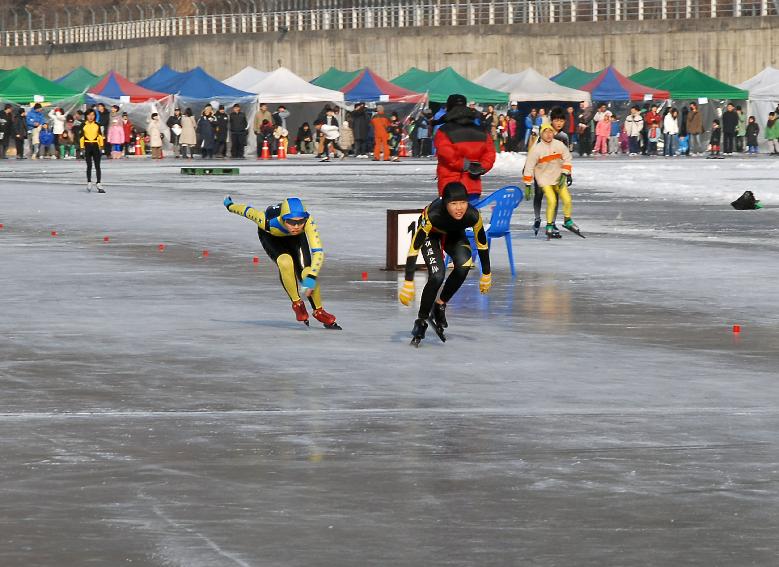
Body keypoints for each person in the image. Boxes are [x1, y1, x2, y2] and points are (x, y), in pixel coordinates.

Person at [223, 195, 340, 329]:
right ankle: (297, 304)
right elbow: (246, 211)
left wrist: (312, 277)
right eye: (291, 222)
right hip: (272, 238)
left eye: (300, 221)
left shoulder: (308, 222)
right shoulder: (267, 221)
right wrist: (229, 205)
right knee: (286, 262)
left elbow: (318, 251)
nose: (296, 226)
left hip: (296, 241)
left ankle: (319, 311)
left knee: (307, 272)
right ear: (283, 219)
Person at [398, 182, 492, 347]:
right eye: (453, 203)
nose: (459, 208)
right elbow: (414, 248)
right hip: (431, 235)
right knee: (437, 275)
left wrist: (486, 273)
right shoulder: (433, 215)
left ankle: (440, 305)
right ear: (445, 203)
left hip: (454, 234)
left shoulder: (473, 215)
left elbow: (482, 245)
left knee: (464, 266)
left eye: (463, 202)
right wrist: (408, 281)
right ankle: (421, 320)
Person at [434, 93, 496, 202]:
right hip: (473, 184)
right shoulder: (481, 131)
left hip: (451, 187)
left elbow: (447, 155)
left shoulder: (444, 131)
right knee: (472, 216)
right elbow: (490, 153)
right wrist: (481, 167)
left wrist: (465, 165)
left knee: (451, 217)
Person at [523, 123, 580, 239]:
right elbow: (528, 166)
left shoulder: (559, 145)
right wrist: (528, 184)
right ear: (541, 134)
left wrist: (566, 173)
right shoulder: (536, 149)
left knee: (567, 200)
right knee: (552, 200)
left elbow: (567, 158)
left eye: (550, 132)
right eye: (545, 132)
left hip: (558, 177)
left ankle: (567, 220)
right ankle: (548, 224)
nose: (549, 135)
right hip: (544, 180)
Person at [80, 109, 105, 192]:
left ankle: (98, 183)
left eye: (93, 115)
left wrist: (101, 147)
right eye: (89, 115)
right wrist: (82, 148)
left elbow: (100, 136)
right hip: (87, 146)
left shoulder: (97, 125)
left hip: (95, 146)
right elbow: (81, 137)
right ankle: (89, 181)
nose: (91, 117)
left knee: (97, 165)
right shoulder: (83, 125)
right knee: (89, 165)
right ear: (86, 116)